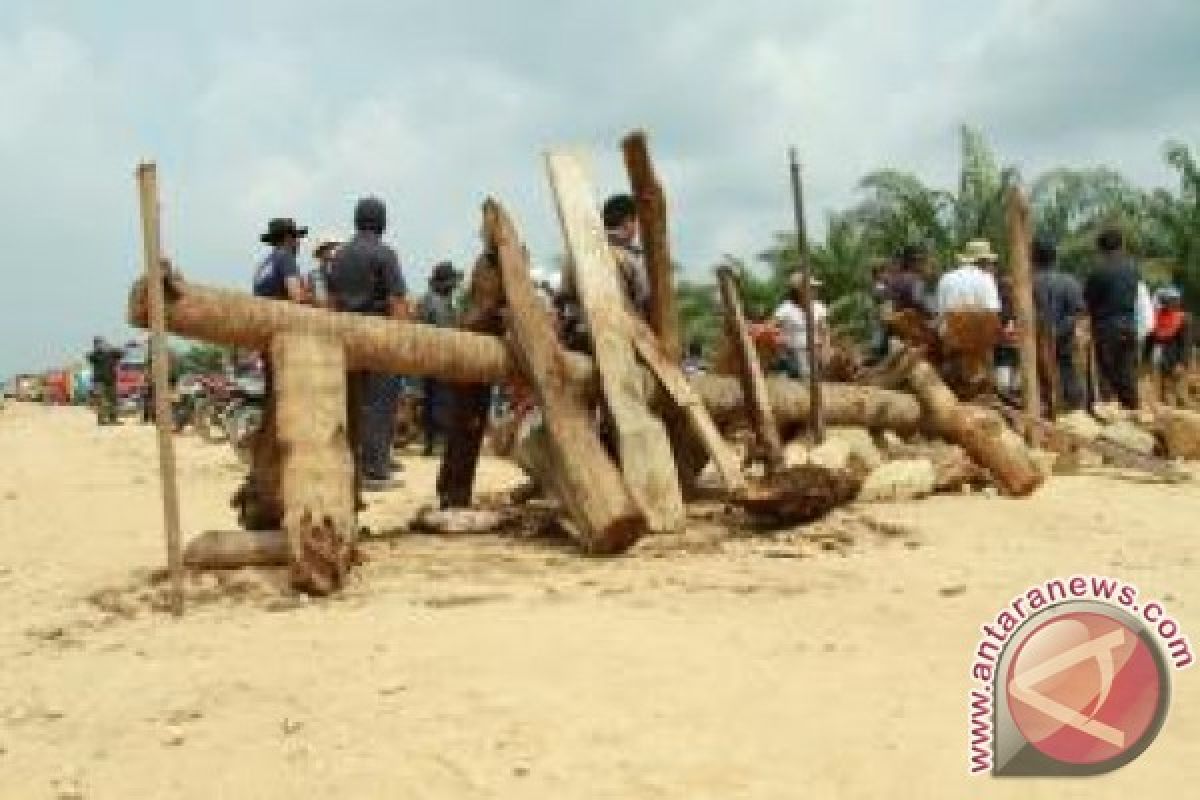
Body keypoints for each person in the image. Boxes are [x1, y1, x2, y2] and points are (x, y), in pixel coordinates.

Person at [327, 196, 410, 490]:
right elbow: (397, 301)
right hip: (378, 336)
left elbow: (332, 303)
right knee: (380, 404)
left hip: (345, 336)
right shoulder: (385, 254)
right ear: (382, 222)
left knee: (352, 402)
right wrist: (402, 344)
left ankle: (351, 467)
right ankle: (375, 471)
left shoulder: (338, 256)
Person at [1084, 228, 1141, 409]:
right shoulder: (1133, 269)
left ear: (1100, 248)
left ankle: (1108, 413)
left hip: (1106, 327)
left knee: (1105, 373)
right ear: (1122, 245)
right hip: (1129, 324)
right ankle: (1133, 410)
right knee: (1127, 372)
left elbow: (1088, 300)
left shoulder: (1098, 272)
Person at [1032, 236, 1086, 411]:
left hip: (1035, 343)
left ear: (1033, 258)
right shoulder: (1070, 282)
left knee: (1040, 379)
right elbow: (1078, 312)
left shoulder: (1027, 284)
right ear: (1055, 257)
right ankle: (1074, 411)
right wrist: (1060, 330)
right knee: (1068, 372)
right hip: (1064, 340)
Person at [418, 261, 462, 456]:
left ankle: (433, 441)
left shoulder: (437, 300)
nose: (454, 287)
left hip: (438, 359)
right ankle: (436, 442)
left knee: (436, 400)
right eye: (451, 283)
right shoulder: (434, 301)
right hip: (437, 358)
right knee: (439, 400)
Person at [602, 193, 650, 318]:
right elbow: (646, 297)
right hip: (625, 329)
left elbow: (563, 296)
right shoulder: (632, 258)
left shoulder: (577, 255)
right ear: (628, 222)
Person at [773, 273, 828, 379]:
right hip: (793, 350)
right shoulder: (785, 308)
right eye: (811, 288)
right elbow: (772, 328)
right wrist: (780, 342)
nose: (815, 291)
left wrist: (825, 350)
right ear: (800, 291)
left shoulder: (819, 307)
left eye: (814, 288)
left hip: (815, 349)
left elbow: (824, 330)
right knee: (805, 372)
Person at [1150, 286, 1193, 404]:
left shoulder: (1183, 319)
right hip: (1163, 360)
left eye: (1172, 300)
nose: (1168, 303)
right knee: (1166, 393)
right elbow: (1152, 339)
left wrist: (1182, 362)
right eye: (1165, 300)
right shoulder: (1158, 316)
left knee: (1180, 393)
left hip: (1177, 360)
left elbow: (1186, 344)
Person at [936, 240, 1002, 315]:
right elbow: (992, 313)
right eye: (990, 263)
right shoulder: (986, 279)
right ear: (984, 262)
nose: (991, 266)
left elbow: (941, 312)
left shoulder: (945, 278)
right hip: (977, 326)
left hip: (949, 325)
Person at [253, 218, 309, 303]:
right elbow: (297, 296)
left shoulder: (263, 266)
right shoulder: (286, 257)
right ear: (288, 238)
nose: (299, 242)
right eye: (297, 237)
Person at [87, 337, 123, 425]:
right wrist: (98, 350)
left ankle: (113, 418)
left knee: (113, 400)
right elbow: (89, 357)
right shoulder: (95, 355)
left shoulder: (111, 353)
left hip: (111, 380)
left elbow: (121, 354)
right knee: (101, 400)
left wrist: (110, 347)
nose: (100, 345)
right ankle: (101, 420)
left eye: (101, 343)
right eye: (98, 344)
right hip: (99, 381)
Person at [308, 237, 341, 308]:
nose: (332, 251)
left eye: (332, 248)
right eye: (329, 249)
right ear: (322, 252)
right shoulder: (315, 274)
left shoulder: (314, 274)